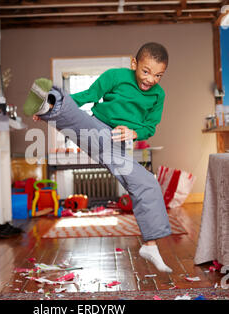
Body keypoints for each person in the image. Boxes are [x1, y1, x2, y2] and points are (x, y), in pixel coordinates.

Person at [23, 42, 172, 273]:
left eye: (158, 75)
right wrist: (46, 115)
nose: (151, 79)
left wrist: (134, 133)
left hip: (119, 147)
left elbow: (150, 127)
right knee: (74, 112)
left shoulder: (158, 95)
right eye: (146, 71)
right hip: (96, 128)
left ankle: (151, 245)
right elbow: (88, 96)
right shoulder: (116, 76)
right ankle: (52, 103)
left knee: (148, 183)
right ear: (134, 64)